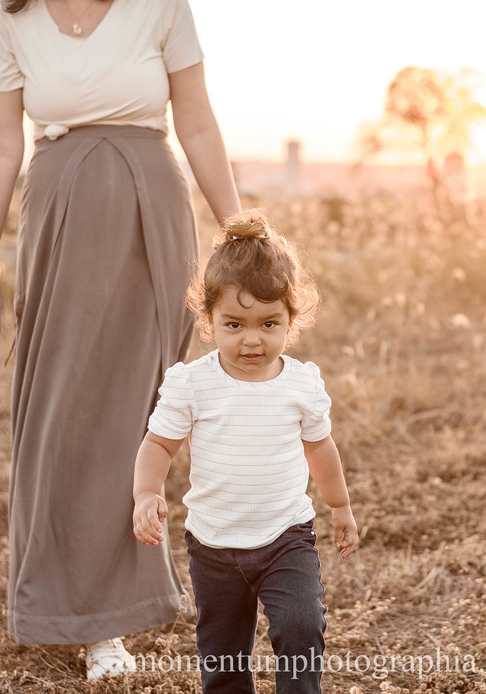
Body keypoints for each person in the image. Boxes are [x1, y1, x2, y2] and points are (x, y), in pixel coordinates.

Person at [0, 0, 241, 680]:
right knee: (62, 408)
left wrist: (239, 228)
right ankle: (68, 604)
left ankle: (113, 616)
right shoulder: (7, 15)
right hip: (60, 210)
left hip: (154, 207)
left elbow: (196, 122)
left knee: (136, 410)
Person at [133, 211, 358, 694]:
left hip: (285, 537)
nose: (252, 339)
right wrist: (146, 493)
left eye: (268, 323)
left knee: (301, 627)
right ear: (209, 320)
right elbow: (158, 443)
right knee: (223, 655)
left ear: (291, 320)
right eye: (234, 324)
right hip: (213, 546)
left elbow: (320, 448)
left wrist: (339, 506)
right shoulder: (193, 383)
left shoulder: (300, 383)